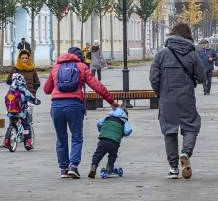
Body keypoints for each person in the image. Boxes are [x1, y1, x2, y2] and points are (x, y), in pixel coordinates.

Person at [43, 47, 119, 179]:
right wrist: (111, 101)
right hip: (74, 105)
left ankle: (63, 169)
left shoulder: (56, 67)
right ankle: (73, 166)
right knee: (77, 137)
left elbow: (46, 89)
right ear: (79, 57)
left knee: (61, 139)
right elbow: (97, 86)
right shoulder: (82, 67)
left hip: (57, 106)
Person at [149, 23, 206, 180]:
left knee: (169, 131)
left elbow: (153, 77)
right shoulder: (193, 54)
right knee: (191, 126)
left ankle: (173, 168)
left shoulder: (161, 54)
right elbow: (202, 77)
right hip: (186, 98)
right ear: (188, 35)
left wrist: (160, 93)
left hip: (167, 99)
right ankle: (185, 152)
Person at [88, 107, 132, 178]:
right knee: (112, 155)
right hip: (115, 141)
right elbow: (128, 130)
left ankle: (94, 166)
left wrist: (102, 130)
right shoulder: (124, 120)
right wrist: (122, 133)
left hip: (104, 139)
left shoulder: (108, 117)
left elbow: (99, 123)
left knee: (98, 154)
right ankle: (109, 169)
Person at [3, 73, 41, 149]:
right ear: (22, 79)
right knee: (26, 125)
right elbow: (30, 97)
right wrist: (37, 101)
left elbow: (6, 99)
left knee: (11, 125)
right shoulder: (22, 87)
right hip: (21, 112)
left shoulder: (11, 88)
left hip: (11, 111)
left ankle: (6, 141)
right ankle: (27, 141)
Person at [6, 50, 40, 124]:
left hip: (29, 97)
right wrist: (15, 84)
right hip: (17, 96)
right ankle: (14, 131)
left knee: (28, 118)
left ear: (29, 59)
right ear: (19, 58)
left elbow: (37, 83)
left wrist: (32, 92)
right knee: (15, 115)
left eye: (26, 58)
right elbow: (8, 81)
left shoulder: (32, 69)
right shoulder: (15, 69)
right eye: (23, 58)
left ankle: (28, 133)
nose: (24, 60)